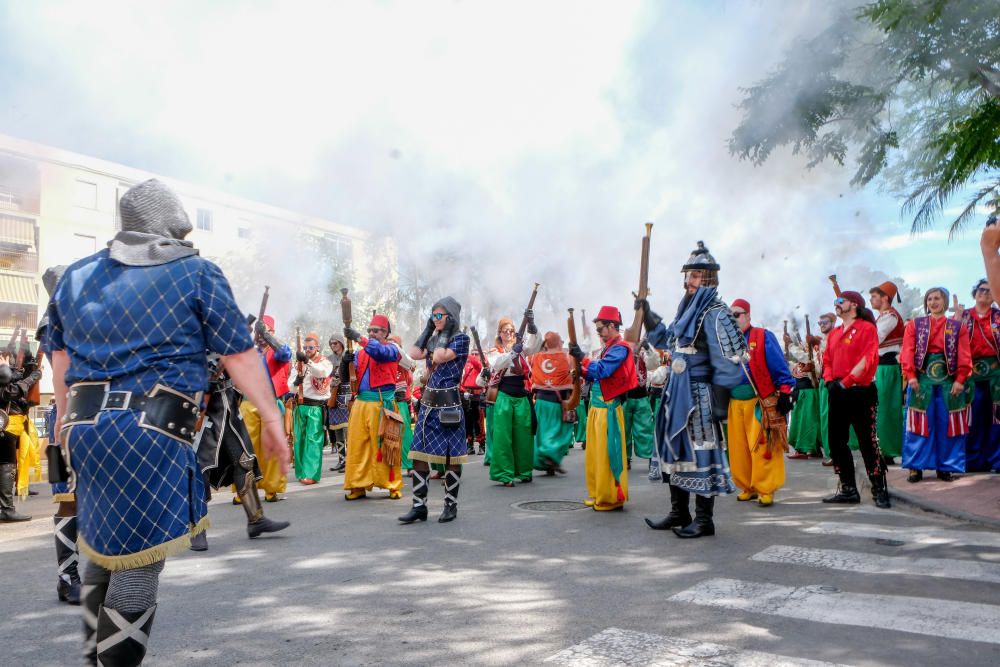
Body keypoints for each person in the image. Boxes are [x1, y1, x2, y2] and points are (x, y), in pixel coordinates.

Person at [46, 179, 288, 665]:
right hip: (151, 430)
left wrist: (60, 414)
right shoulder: (195, 272)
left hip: (83, 430)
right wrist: (271, 415)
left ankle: (96, 655)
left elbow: (60, 357)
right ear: (169, 224)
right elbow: (239, 354)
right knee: (137, 565)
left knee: (102, 547)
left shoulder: (75, 274)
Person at [643, 241, 747, 538]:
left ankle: (704, 520)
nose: (689, 281)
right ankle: (679, 513)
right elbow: (669, 342)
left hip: (700, 395)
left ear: (710, 278)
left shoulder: (716, 312)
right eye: (687, 275)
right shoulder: (687, 310)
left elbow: (728, 361)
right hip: (676, 392)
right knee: (676, 451)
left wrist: (720, 400)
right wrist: (649, 315)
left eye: (696, 276)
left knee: (702, 452)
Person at [195, 353, 290, 543]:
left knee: (244, 461)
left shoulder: (225, 338)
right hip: (205, 405)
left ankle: (256, 519)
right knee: (201, 467)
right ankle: (197, 528)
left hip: (228, 405)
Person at [400, 297, 470, 523]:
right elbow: (413, 353)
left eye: (439, 315)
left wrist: (444, 332)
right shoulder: (434, 338)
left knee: (451, 457)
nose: (435, 319)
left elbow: (439, 356)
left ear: (451, 317)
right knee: (418, 454)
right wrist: (429, 329)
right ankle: (419, 506)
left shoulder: (461, 339)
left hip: (449, 405)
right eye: (433, 315)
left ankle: (451, 505)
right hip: (428, 405)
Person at [36, 264, 82, 604]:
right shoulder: (52, 321)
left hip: (89, 412)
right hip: (62, 415)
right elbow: (59, 373)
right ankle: (67, 576)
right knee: (66, 498)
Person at [821, 290, 890, 508]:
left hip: (860, 391)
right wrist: (830, 381)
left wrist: (846, 382)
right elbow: (827, 359)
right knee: (836, 441)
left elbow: (868, 359)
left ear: (854, 304)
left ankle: (879, 488)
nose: (836, 304)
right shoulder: (834, 333)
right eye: (835, 301)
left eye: (840, 301)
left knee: (867, 441)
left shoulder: (867, 328)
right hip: (837, 391)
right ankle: (848, 488)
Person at [727, 299, 795, 506]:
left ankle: (765, 488)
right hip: (734, 402)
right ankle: (747, 485)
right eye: (730, 316)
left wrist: (785, 392)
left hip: (759, 401)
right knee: (739, 449)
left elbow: (779, 365)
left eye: (737, 315)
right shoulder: (726, 341)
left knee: (762, 446)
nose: (733, 319)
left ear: (748, 315)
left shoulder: (763, 336)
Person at [568, 306, 637, 511]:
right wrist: (580, 370)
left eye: (600, 328)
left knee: (609, 456)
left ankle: (611, 497)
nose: (598, 332)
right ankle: (599, 492)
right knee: (596, 456)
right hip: (597, 409)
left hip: (608, 410)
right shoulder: (608, 347)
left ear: (612, 326)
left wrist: (582, 357)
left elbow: (603, 370)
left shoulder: (621, 348)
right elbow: (594, 374)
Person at [901, 287, 972, 482]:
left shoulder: (958, 327)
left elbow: (964, 354)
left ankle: (946, 466)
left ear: (945, 302)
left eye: (937, 298)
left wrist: (960, 379)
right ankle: (915, 467)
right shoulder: (915, 325)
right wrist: (911, 375)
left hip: (949, 382)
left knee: (949, 424)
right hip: (921, 380)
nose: (933, 302)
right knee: (918, 424)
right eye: (929, 299)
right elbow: (907, 351)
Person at [342, 314, 404, 500]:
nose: (371, 334)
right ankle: (357, 485)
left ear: (386, 333)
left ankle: (392, 485)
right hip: (360, 404)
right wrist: (345, 364)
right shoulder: (360, 353)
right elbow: (346, 379)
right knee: (357, 446)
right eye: (369, 331)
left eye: (376, 331)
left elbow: (379, 353)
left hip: (382, 404)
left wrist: (360, 338)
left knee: (387, 446)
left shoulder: (393, 348)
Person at [480, 313, 541, 486]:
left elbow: (535, 345)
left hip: (522, 395)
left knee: (524, 436)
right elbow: (498, 364)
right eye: (505, 331)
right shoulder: (494, 352)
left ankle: (524, 471)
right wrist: (512, 353)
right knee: (503, 437)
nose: (508, 333)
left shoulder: (521, 349)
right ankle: (505, 474)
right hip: (504, 396)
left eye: (511, 330)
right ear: (499, 333)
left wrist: (533, 327)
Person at [244, 315, 293, 502]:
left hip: (271, 403)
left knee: (271, 449)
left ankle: (271, 489)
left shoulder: (279, 351)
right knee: (246, 448)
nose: (261, 336)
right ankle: (245, 488)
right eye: (259, 332)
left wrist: (267, 335)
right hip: (248, 403)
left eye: (266, 332)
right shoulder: (248, 351)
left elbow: (285, 353)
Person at [960, 279, 1000, 473]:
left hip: (996, 372)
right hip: (971, 373)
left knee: (996, 417)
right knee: (973, 417)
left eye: (989, 290)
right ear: (975, 293)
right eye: (981, 290)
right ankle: (973, 460)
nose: (985, 293)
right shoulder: (964, 317)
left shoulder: (998, 317)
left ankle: (997, 459)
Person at [0, 350, 39, 523]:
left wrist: (27, 372)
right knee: (6, 466)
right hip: (4, 428)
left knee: (7, 466)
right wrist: (32, 378)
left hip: (7, 426)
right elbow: (9, 392)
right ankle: (7, 509)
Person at [869, 281, 906, 464]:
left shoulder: (890, 317)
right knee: (880, 409)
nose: (871, 300)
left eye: (874, 296)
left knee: (886, 409)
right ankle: (883, 449)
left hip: (887, 367)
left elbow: (874, 338)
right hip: (880, 367)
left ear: (885, 298)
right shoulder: (882, 317)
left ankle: (887, 450)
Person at [290, 332, 333, 485]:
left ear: (317, 348)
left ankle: (312, 474)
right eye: (305, 347)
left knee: (313, 440)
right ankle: (302, 472)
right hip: (300, 406)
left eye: (310, 347)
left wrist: (306, 360)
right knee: (299, 440)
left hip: (315, 406)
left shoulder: (324, 362)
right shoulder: (298, 364)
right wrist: (295, 382)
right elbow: (290, 387)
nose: (307, 350)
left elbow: (321, 372)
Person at [531, 331, 575, 476]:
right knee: (560, 432)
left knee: (543, 434)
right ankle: (551, 456)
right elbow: (571, 377)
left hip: (541, 402)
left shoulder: (536, 357)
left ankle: (548, 463)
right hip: (556, 403)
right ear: (557, 342)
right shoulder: (564, 357)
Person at [785, 328, 825, 460]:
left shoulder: (814, 357)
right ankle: (811, 449)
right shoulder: (800, 362)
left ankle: (806, 449)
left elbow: (808, 359)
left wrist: (790, 345)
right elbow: (791, 364)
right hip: (800, 394)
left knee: (807, 421)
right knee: (801, 421)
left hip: (809, 394)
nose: (802, 346)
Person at [326, 334, 350, 473]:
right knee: (338, 430)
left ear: (341, 343)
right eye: (331, 344)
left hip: (347, 394)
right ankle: (342, 460)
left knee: (348, 429)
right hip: (334, 394)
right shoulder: (328, 360)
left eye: (335, 343)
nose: (333, 346)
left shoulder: (349, 356)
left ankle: (351, 460)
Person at [460, 351, 486, 455]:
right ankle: (470, 445)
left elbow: (477, 364)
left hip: (477, 396)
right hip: (466, 395)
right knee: (467, 422)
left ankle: (482, 445)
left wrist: (468, 354)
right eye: (473, 353)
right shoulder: (464, 365)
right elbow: (460, 381)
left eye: (476, 354)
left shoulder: (481, 366)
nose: (474, 356)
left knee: (478, 421)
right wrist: (464, 390)